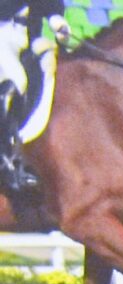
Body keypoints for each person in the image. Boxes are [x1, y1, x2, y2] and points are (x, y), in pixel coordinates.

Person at [0, 0, 64, 203]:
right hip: (3, 32)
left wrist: (57, 19)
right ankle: (5, 158)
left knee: (53, 63)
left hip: (31, 35)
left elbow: (51, 5)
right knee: (17, 80)